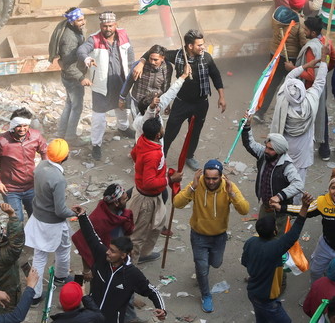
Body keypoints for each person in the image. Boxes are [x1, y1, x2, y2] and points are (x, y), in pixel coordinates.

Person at [172, 159, 250, 313]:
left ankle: (203, 269)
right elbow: (177, 203)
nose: (211, 181)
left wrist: (232, 194)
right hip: (198, 236)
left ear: (221, 177)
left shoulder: (229, 187)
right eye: (208, 178)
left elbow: (244, 210)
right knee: (201, 269)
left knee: (216, 263)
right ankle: (205, 294)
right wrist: (192, 188)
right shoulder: (197, 184)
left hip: (219, 237)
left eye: (215, 178)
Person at [74, 206, 167, 323]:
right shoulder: (102, 256)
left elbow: (152, 291)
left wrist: (162, 308)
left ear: (123, 255)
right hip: (90, 317)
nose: (108, 252)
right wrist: (82, 216)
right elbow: (91, 236)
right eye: (109, 248)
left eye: (113, 251)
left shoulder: (132, 274)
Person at [242, 192, 312, 323]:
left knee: (262, 319)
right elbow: (294, 233)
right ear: (275, 231)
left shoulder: (250, 242)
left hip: (253, 292)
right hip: (267, 299)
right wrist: (304, 207)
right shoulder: (275, 248)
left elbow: (245, 262)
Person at [163, 30, 225, 170]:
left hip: (200, 104)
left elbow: (216, 76)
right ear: (190, 46)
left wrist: (221, 96)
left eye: (203, 44)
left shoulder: (206, 58)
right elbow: (157, 52)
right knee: (171, 130)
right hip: (181, 102)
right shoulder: (177, 55)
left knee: (195, 132)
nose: (202, 47)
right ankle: (162, 155)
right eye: (199, 45)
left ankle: (189, 156)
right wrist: (141, 62)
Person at [76, 11, 134, 161]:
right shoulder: (94, 39)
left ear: (115, 25)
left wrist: (132, 70)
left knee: (122, 107)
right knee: (99, 117)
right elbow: (81, 51)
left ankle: (123, 128)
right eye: (104, 26)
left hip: (121, 81)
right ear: (100, 25)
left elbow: (130, 52)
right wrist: (87, 59)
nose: (107, 29)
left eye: (110, 25)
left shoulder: (123, 34)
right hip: (102, 85)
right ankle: (96, 144)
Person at [22, 138, 73, 300]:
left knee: (39, 256)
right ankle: (61, 276)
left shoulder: (42, 166)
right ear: (65, 156)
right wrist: (74, 213)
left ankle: (34, 294)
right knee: (64, 248)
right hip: (53, 223)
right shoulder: (58, 179)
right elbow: (60, 210)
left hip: (38, 219)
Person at [126, 118, 180, 263]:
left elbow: (134, 155)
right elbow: (149, 183)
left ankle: (144, 254)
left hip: (151, 195)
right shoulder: (153, 155)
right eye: (161, 128)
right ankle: (129, 268)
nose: (163, 129)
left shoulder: (143, 140)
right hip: (146, 199)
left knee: (156, 227)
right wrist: (169, 180)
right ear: (157, 135)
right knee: (138, 236)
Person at [0, 108, 48, 223]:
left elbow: (45, 151)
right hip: (11, 189)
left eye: (25, 126)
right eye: (19, 126)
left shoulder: (35, 136)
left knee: (37, 218)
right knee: (16, 220)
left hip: (31, 186)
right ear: (13, 126)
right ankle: (15, 241)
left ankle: (33, 240)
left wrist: (44, 171)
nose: (22, 129)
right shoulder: (1, 141)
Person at [240, 119, 304, 211]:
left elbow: (298, 184)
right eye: (266, 147)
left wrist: (279, 196)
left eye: (271, 149)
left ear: (279, 151)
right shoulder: (263, 154)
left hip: (280, 210)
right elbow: (249, 144)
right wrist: (247, 126)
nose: (266, 150)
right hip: (265, 206)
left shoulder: (286, 166)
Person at [48, 7, 87, 141]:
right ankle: (71, 137)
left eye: (83, 19)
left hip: (69, 76)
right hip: (73, 78)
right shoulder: (70, 39)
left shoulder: (72, 28)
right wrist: (81, 78)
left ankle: (61, 133)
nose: (83, 22)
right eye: (79, 20)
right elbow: (68, 65)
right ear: (72, 22)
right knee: (76, 108)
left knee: (69, 105)